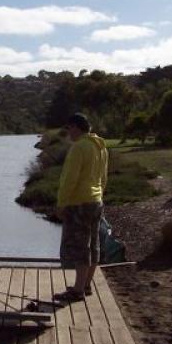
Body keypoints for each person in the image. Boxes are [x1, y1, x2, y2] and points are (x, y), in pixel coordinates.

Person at [53, 113, 109, 303]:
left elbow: (70, 179)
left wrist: (62, 203)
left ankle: (77, 290)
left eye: (69, 128)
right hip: (96, 201)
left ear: (76, 127)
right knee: (94, 244)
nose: (68, 133)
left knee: (80, 247)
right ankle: (85, 284)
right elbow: (103, 176)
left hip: (79, 203)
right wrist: (100, 194)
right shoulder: (100, 146)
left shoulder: (79, 147)